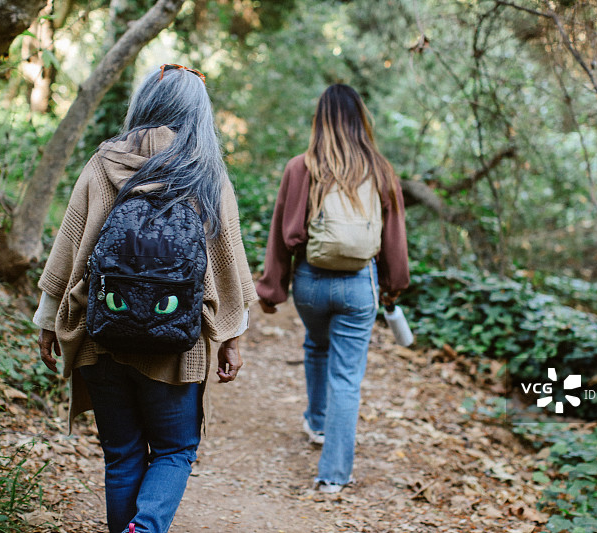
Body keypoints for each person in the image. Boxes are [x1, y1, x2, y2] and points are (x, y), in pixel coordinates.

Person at [33, 64, 257, 533]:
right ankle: (146, 528)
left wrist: (48, 320)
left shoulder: (103, 163)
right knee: (175, 450)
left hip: (102, 334)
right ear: (198, 113)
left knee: (122, 454)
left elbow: (68, 247)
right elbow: (228, 264)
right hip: (176, 343)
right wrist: (232, 337)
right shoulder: (206, 174)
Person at [256, 83, 409, 493]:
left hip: (310, 283)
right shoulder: (381, 170)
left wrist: (272, 289)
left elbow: (282, 233)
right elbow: (394, 240)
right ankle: (333, 477)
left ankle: (318, 423)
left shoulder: (300, 167)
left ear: (319, 121)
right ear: (362, 120)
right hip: (359, 286)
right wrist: (393, 287)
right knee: (346, 378)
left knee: (316, 344)